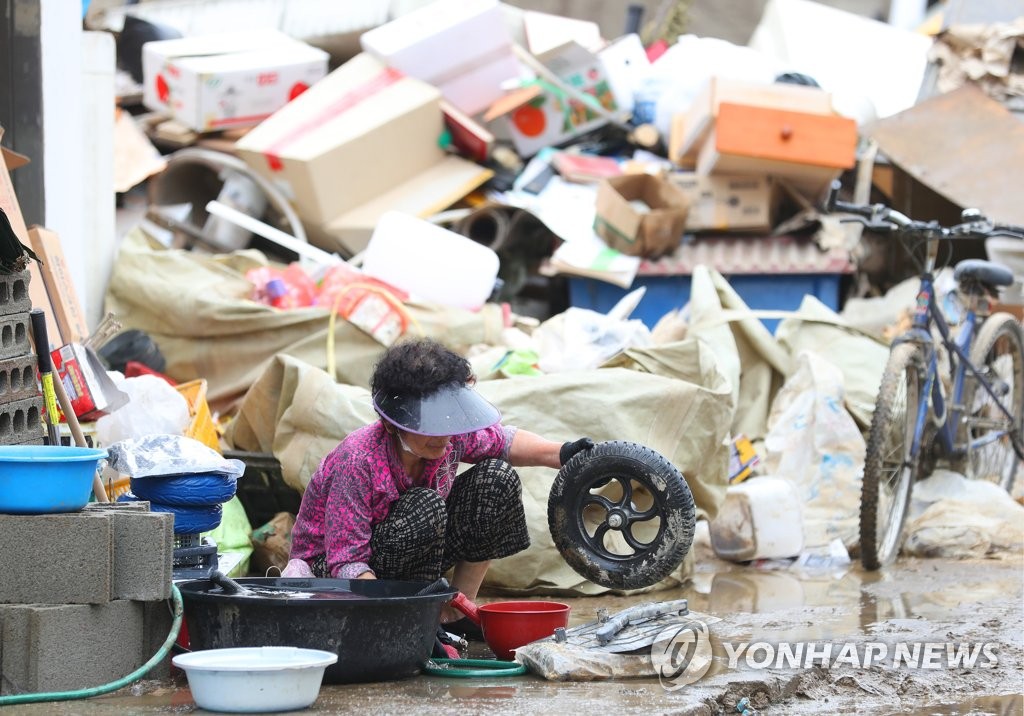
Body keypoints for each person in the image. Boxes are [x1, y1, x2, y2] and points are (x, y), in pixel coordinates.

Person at [288, 337, 594, 634]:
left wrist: (566, 454)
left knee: (495, 478)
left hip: (416, 549)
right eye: (431, 426)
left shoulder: (450, 434)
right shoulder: (358, 459)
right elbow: (347, 560)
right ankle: (418, 617)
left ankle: (456, 613)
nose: (443, 435)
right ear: (394, 424)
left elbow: (503, 442)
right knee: (425, 505)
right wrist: (398, 619)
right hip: (336, 572)